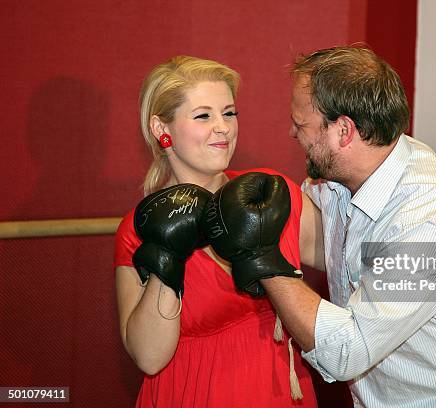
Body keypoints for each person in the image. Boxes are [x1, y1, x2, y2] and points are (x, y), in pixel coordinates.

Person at [207, 46, 436, 407]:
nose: (291, 132)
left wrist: (263, 261)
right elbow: (325, 246)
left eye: (301, 124)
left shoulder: (431, 219)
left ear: (344, 131)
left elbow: (347, 350)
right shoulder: (338, 179)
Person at [113, 55, 318, 407]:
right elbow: (149, 357)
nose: (223, 126)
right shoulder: (137, 229)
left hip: (277, 391)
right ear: (162, 129)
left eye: (229, 112)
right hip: (191, 393)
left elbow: (353, 257)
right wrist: (168, 252)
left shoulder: (270, 193)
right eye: (204, 115)